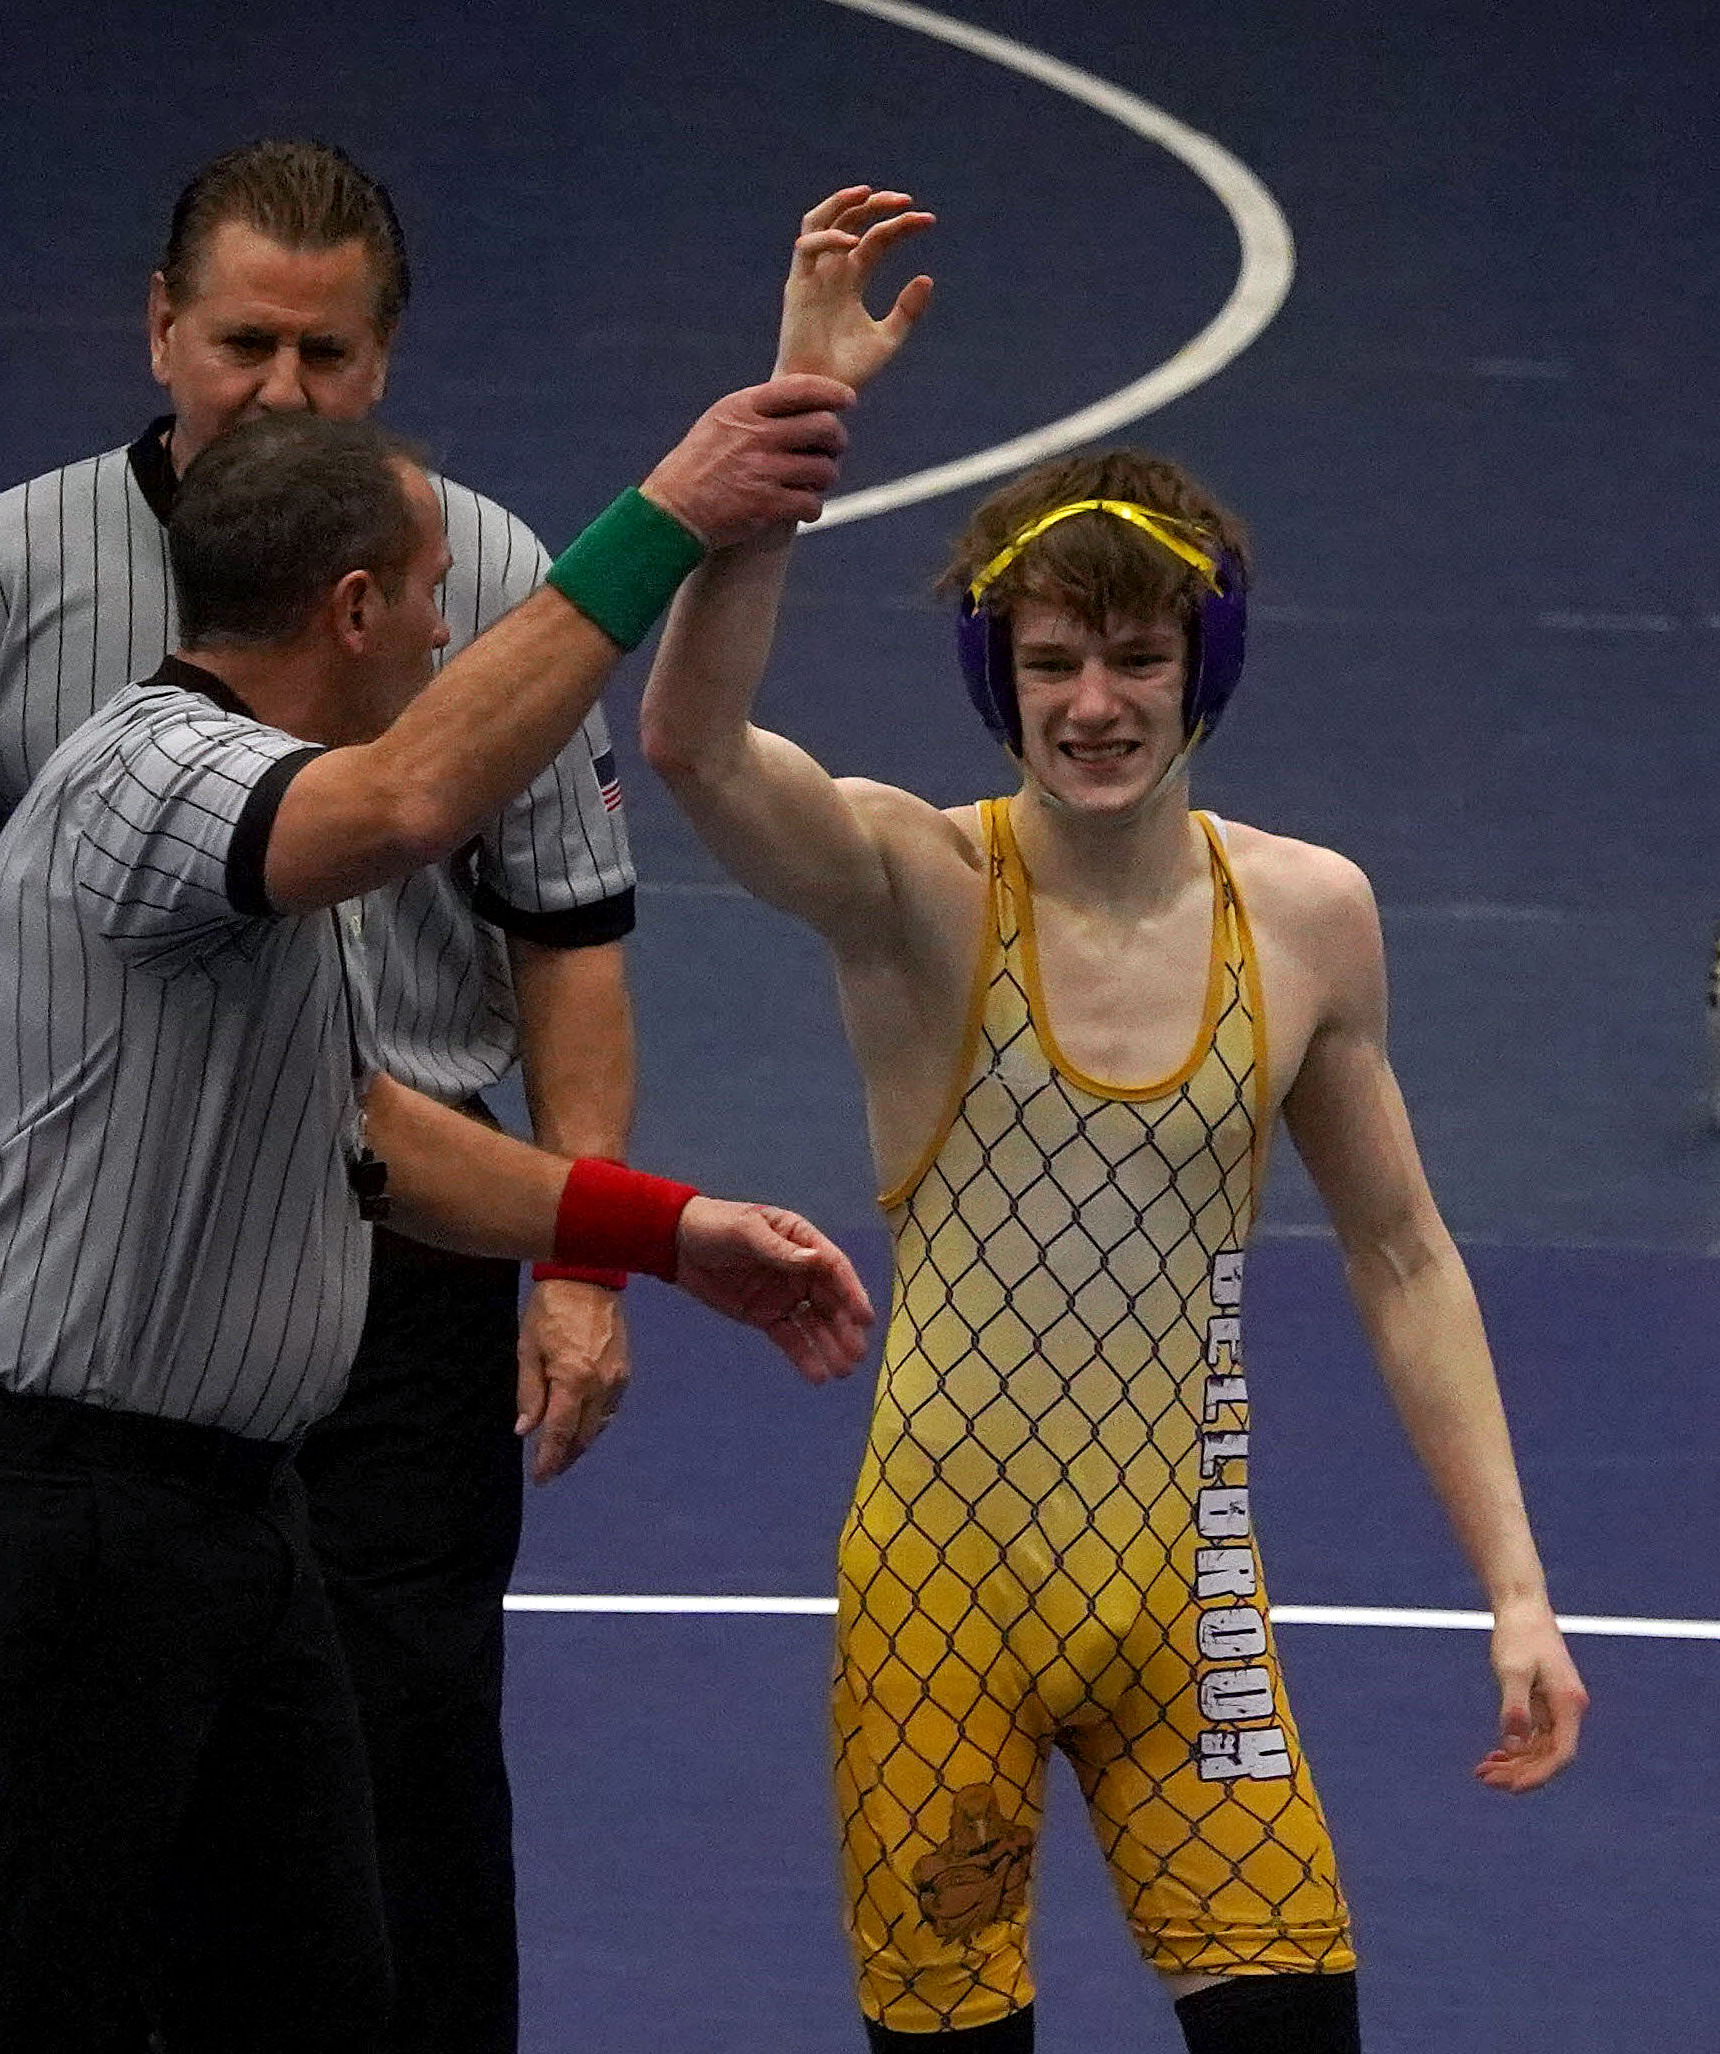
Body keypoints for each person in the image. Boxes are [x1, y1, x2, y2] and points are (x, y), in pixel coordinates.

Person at [638, 189, 1589, 2053]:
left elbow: (1401, 1254)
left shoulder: (1306, 915)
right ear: (996, 673)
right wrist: (788, 436)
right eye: (1054, 660)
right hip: (938, 1613)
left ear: (1201, 669)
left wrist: (1519, 1591)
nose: (1093, 705)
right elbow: (687, 745)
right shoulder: (918, 886)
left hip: (1188, 1607)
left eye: (1136, 660)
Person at [0, 138, 647, 2052]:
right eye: (243, 343)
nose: (278, 391)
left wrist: (604, 1246)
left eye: (325, 355)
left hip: (385, 1259)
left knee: (384, 1786)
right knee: (72, 1904)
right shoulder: (24, 590)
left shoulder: (466, 572)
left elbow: (558, 933)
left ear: (383, 360)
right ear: (160, 329)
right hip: (118, 1296)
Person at [0, 401, 875, 2053]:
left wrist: (659, 1232)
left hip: (226, 1517)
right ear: (349, 610)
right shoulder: (157, 779)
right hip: (63, 1518)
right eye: (431, 592)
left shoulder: (252, 847)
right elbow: (410, 801)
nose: (450, 629)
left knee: (323, 2000)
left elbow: (370, 1132)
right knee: (25, 2018)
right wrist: (667, 513)